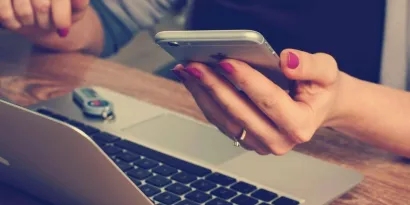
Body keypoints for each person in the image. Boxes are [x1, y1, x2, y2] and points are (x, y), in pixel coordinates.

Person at [1, 0, 410, 157]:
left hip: (362, 159)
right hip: (192, 130)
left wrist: (342, 103)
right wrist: (50, 15)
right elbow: (102, 22)